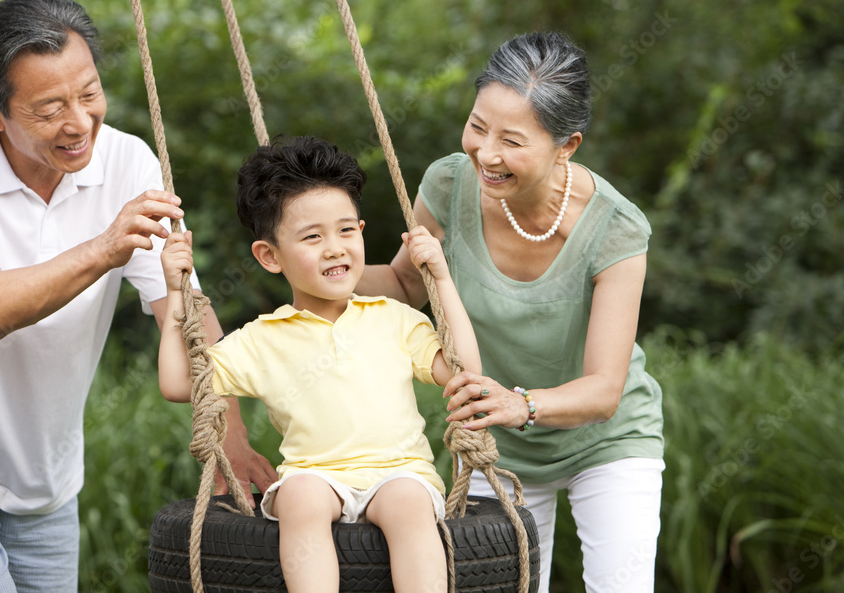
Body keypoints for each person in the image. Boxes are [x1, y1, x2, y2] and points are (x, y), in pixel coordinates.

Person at [0, 0, 276, 592]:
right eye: (49, 109)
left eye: (89, 93)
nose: (79, 122)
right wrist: (105, 246)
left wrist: (231, 437)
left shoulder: (126, 160)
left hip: (49, 477)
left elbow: (183, 309)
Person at [357, 31, 665, 592]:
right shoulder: (449, 183)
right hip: (499, 444)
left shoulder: (616, 228)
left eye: (512, 141)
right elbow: (402, 283)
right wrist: (319, 266)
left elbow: (603, 391)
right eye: (478, 127)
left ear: (566, 145)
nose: (486, 153)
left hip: (607, 439)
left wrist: (517, 402)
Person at [158, 136, 482, 592]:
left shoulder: (394, 319)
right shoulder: (262, 338)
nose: (335, 248)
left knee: (409, 502)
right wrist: (175, 293)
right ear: (269, 256)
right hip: (317, 476)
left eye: (347, 231)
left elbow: (465, 369)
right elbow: (177, 384)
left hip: (398, 471)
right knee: (299, 496)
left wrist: (441, 280)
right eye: (313, 237)